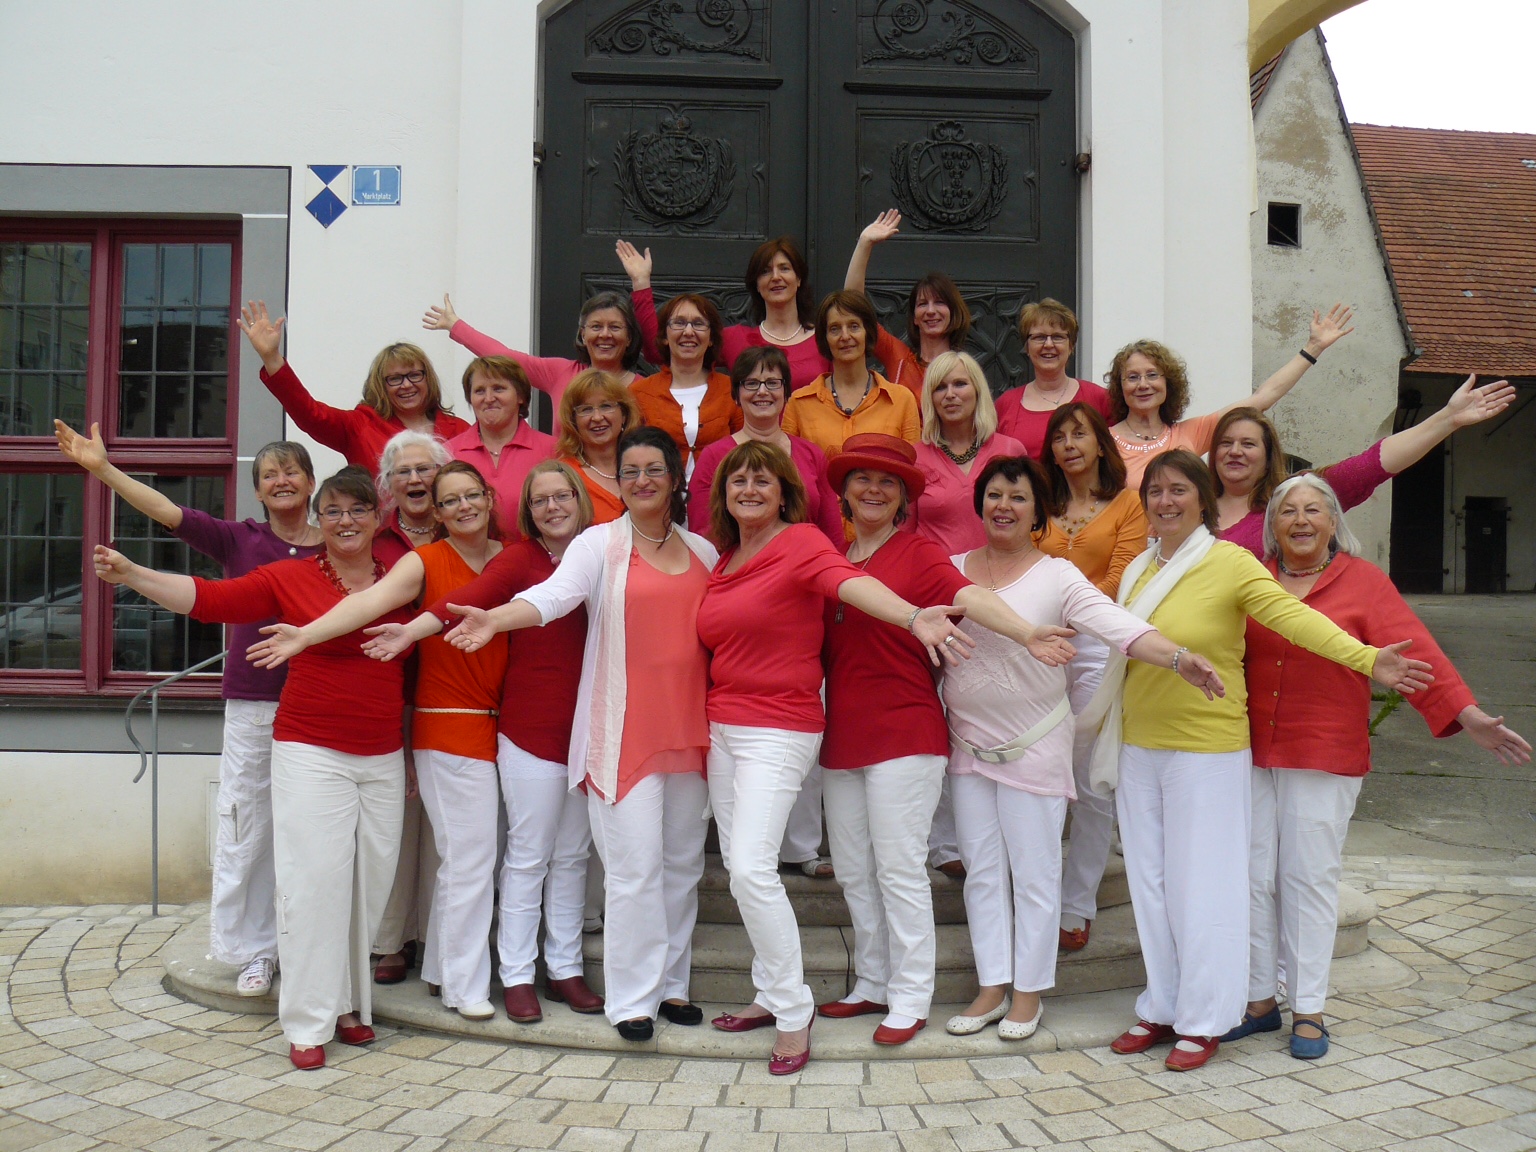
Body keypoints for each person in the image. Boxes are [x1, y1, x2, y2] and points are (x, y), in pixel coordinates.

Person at [1087, 451, 1432, 1072]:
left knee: (1203, 887)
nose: (1165, 501)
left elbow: (1295, 620)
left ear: (1203, 499)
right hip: (1139, 745)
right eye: (1155, 491)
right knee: (1151, 884)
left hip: (1208, 748)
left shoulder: (1231, 562)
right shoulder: (1139, 567)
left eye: (1178, 490)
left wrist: (1366, 659)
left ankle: (1204, 1019)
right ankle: (1162, 1005)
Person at [93, 468, 416, 1070]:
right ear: (319, 520)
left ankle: (348, 1004)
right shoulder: (290, 576)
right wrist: (134, 574)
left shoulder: (401, 574)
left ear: (378, 518)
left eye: (357, 510)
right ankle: (308, 1022)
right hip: (311, 750)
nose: (346, 521)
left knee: (368, 886)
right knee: (313, 885)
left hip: (382, 753)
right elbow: (211, 600)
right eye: (333, 511)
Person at [1226, 474, 1530, 1059]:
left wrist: (1468, 715)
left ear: (1333, 522)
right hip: (1248, 749)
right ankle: (1259, 1000)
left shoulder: (1363, 582)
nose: (1300, 520)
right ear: (1271, 526)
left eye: (1313, 510)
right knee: (1253, 875)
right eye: (1288, 511)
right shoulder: (1251, 578)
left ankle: (1309, 1009)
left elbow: (1418, 654)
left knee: (1308, 878)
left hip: (1323, 750)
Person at [697, 440, 972, 1075]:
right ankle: (852, 984)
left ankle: (886, 999)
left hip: (837, 727)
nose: (749, 490)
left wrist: (916, 618)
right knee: (848, 870)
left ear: (786, 493)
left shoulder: (809, 545)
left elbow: (855, 587)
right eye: (737, 481)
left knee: (865, 869)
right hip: (777, 729)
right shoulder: (729, 559)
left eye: (763, 481)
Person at [444, 427, 716, 1044]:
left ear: (675, 478)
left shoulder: (703, 550)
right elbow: (555, 596)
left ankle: (672, 986)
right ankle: (633, 1001)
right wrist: (496, 619)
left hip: (690, 733)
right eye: (630, 471)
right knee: (633, 871)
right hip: (623, 735)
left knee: (680, 868)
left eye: (654, 469)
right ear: (617, 481)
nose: (642, 480)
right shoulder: (599, 543)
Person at [942, 455, 1223, 1042]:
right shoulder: (950, 569)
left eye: (1019, 497)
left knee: (1035, 873)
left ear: (1038, 512)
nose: (1004, 507)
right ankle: (992, 985)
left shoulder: (1058, 576)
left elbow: (1119, 626)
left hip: (1034, 745)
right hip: (967, 745)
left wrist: (1176, 658)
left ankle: (1027, 993)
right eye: (995, 495)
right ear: (980, 503)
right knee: (982, 872)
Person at [816, 435, 1077, 1046]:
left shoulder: (920, 551)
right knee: (854, 870)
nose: (874, 490)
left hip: (906, 731)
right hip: (843, 734)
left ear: (905, 497)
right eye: (862, 479)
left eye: (888, 482)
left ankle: (910, 997)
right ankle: (872, 981)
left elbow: (970, 596)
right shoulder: (833, 557)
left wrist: (1026, 633)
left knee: (899, 868)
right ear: (844, 492)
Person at [54, 422, 324, 998]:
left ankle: (307, 945)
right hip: (255, 703)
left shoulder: (336, 544)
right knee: (248, 826)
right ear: (257, 490)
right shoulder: (239, 539)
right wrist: (103, 469)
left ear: (310, 481)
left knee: (311, 831)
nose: (281, 480)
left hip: (322, 705)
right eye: (269, 474)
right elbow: (166, 511)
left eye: (291, 471)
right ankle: (253, 951)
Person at [245, 462, 510, 1022]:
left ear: (490, 497)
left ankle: (367, 998)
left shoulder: (510, 557)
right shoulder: (421, 561)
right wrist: (305, 636)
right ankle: (318, 1018)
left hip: (471, 732)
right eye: (449, 500)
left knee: (387, 878)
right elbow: (366, 605)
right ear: (435, 513)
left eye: (471, 495)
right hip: (408, 729)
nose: (463, 506)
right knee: (330, 881)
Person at [358, 462, 601, 1024]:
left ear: (580, 499)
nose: (553, 508)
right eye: (540, 500)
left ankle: (564, 968)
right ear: (525, 510)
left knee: (571, 856)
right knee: (524, 856)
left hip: (588, 731)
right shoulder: (516, 558)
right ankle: (515, 974)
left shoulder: (601, 551)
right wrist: (412, 630)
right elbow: (469, 598)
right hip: (526, 728)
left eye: (563, 496)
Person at [1035, 402, 1149, 951]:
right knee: (1039, 769)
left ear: (1102, 444)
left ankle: (1077, 903)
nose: (1069, 445)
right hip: (1039, 643)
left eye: (1079, 435)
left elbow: (1122, 577)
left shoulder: (1128, 503)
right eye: (1059, 437)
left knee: (1090, 780)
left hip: (1097, 646)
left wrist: (1068, 611)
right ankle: (1034, 892)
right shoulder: (1040, 503)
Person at [1212, 375, 1518, 555]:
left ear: (1268, 455)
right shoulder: (1192, 504)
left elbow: (1372, 464)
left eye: (1248, 444)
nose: (1235, 451)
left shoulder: (1294, 498)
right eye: (1225, 443)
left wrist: (1447, 419)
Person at [1106, 304, 1355, 488]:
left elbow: (1263, 398)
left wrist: (1313, 348)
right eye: (1132, 377)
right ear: (1120, 386)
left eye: (1152, 375)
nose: (1143, 385)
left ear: (1168, 383)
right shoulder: (1104, 441)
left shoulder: (1190, 434)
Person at [369, 431, 452, 983]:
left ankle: (435, 936)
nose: (416, 480)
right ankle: (392, 938)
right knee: (397, 819)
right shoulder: (375, 541)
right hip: (390, 689)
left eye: (425, 470)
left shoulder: (464, 525)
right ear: (388, 484)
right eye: (403, 472)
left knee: (445, 826)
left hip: (454, 690)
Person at [239, 301, 468, 471]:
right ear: (381, 386)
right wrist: (271, 358)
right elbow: (310, 414)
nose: (406, 385)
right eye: (395, 379)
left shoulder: (460, 430)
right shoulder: (360, 427)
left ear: (428, 379)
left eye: (415, 375)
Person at [424, 252, 651, 406]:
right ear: (583, 334)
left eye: (615, 327)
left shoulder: (646, 389)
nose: (605, 335)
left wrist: (642, 283)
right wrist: (455, 326)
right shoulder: (560, 373)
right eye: (596, 326)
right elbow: (505, 357)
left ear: (629, 337)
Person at [626, 236, 831, 390]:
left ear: (799, 279)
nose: (776, 277)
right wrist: (641, 283)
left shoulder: (825, 340)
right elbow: (660, 353)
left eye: (784, 268)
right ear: (756, 284)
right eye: (765, 271)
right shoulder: (735, 339)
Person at [688, 346, 843, 546]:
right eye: (751, 383)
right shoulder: (714, 456)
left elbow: (832, 536)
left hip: (806, 562)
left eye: (772, 383)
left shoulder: (812, 454)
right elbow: (702, 539)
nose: (762, 391)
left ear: (786, 392)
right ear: (736, 395)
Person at [842, 209, 972, 397]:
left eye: (939, 302)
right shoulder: (900, 358)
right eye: (922, 304)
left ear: (953, 312)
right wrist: (864, 244)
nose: (930, 311)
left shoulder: (965, 368)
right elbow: (853, 307)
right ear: (914, 318)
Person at [781, 290, 921, 461]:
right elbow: (787, 470)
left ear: (868, 332)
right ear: (825, 338)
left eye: (854, 326)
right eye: (835, 329)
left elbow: (912, 467)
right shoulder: (799, 403)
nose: (845, 336)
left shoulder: (902, 400)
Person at [909, 351, 1027, 551]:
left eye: (960, 384)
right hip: (934, 569)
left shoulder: (1010, 450)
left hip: (1000, 568)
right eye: (940, 387)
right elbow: (904, 531)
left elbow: (1028, 523)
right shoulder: (914, 458)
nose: (950, 394)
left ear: (978, 390)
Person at [630, 293, 741, 475]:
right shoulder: (639, 393)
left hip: (718, 491)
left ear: (711, 338)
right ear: (664, 336)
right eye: (679, 323)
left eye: (698, 324)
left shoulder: (732, 390)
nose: (688, 332)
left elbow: (744, 451)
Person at [442, 356, 556, 534]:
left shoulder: (553, 450)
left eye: (498, 388)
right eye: (479, 391)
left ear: (520, 396)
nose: (488, 398)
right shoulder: (447, 453)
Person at [993, 299, 1113, 457]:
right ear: (1027, 347)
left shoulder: (1100, 399)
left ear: (1071, 346)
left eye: (1058, 337)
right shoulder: (1005, 405)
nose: (1048, 344)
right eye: (1039, 337)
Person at [554, 369, 645, 524]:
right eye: (586, 409)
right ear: (573, 420)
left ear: (624, 415)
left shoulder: (645, 468)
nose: (597, 417)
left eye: (606, 406)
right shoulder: (562, 477)